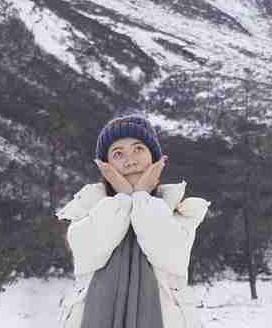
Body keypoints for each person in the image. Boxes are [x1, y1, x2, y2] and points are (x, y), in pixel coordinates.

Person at [55, 114, 210, 328]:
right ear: (106, 166)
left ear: (155, 159)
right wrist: (125, 198)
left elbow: (167, 254)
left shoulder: (178, 210)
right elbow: (90, 253)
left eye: (138, 149)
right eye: (118, 154)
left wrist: (140, 198)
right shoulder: (86, 208)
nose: (130, 160)